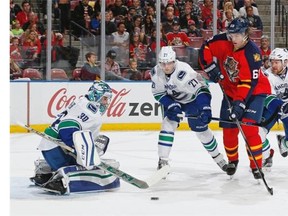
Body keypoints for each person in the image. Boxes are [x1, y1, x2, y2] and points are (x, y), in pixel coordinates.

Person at [198, 17, 271, 179]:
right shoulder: (224, 40)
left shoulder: (253, 54)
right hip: (230, 91)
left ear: (246, 34)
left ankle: (256, 166)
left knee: (249, 129)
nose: (233, 39)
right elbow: (205, 48)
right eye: (231, 35)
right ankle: (233, 161)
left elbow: (247, 83)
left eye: (237, 35)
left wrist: (239, 106)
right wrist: (210, 67)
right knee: (229, 129)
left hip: (254, 92)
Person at [30, 80, 120, 195]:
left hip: (50, 147)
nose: (106, 102)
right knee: (84, 167)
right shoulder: (90, 112)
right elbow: (66, 127)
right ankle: (60, 181)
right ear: (96, 95)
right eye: (105, 98)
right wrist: (77, 148)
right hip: (56, 150)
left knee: (97, 144)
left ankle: (44, 171)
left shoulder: (82, 101)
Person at [150, 46, 229, 173]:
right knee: (167, 125)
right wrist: (171, 105)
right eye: (163, 63)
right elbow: (158, 93)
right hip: (173, 100)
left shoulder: (185, 72)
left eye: (169, 63)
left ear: (174, 61)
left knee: (201, 130)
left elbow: (202, 90)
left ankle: (218, 158)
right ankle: (163, 161)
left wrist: (205, 108)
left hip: (192, 100)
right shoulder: (156, 72)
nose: (166, 67)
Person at [261, 48, 288, 159]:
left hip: (286, 111)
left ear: (285, 62)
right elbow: (268, 98)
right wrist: (282, 106)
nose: (273, 65)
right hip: (271, 109)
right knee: (258, 134)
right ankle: (267, 157)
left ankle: (284, 142)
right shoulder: (266, 75)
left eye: (276, 62)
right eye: (272, 62)